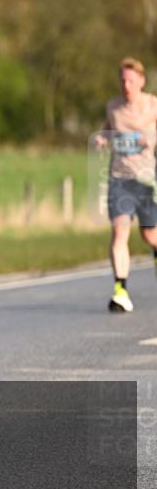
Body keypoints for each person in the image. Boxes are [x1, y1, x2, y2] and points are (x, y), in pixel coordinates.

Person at [95, 57, 157, 313]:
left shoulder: (153, 105)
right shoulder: (114, 107)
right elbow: (107, 130)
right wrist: (100, 139)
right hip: (120, 179)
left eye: (131, 80)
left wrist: (150, 138)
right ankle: (120, 290)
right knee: (120, 232)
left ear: (141, 81)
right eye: (122, 80)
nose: (126, 85)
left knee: (149, 234)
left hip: (147, 180)